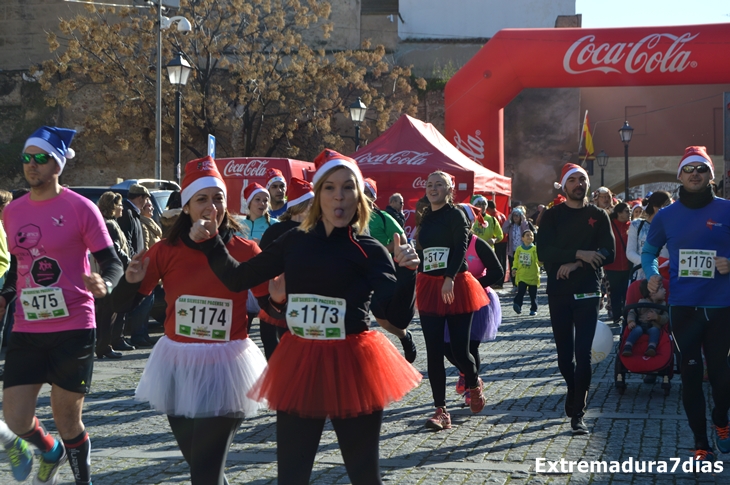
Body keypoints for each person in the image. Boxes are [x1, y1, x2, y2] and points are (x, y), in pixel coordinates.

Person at [190, 148, 422, 485]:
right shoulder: (293, 242)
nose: (339, 196)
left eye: (347, 187)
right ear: (317, 195)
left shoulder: (369, 249)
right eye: (329, 187)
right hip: (301, 361)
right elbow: (239, 279)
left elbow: (395, 317)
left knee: (364, 476)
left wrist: (407, 274)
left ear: (359, 195)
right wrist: (212, 243)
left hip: (354, 363)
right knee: (292, 477)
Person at [112, 157, 269, 485]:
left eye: (218, 198)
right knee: (201, 465)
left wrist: (279, 298)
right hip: (177, 365)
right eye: (202, 199)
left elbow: (274, 308)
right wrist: (127, 281)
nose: (212, 206)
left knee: (205, 472)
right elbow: (125, 305)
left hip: (227, 367)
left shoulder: (245, 249)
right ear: (186, 208)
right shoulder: (165, 251)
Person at [0, 126, 123, 485]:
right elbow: (17, 268)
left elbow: (111, 262)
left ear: (57, 165)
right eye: (27, 158)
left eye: (41, 158)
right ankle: (49, 450)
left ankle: (82, 480)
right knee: (16, 419)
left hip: (74, 325)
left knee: (67, 417)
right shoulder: (13, 212)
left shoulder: (81, 208)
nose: (31, 165)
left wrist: (106, 282)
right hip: (27, 326)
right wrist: (6, 295)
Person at [641, 146, 730, 463]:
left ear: (711, 176)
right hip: (684, 308)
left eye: (702, 169)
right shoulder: (666, 216)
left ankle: (721, 420)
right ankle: (701, 443)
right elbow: (649, 254)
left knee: (721, 378)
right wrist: (652, 276)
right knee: (690, 377)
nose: (695, 173)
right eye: (689, 168)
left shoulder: (727, 210)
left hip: (722, 307)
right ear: (680, 175)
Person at [535, 163, 614, 435]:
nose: (579, 184)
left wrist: (579, 265)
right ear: (564, 186)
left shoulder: (598, 215)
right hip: (559, 292)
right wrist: (580, 254)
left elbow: (610, 252)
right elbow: (543, 251)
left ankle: (578, 413)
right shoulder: (552, 215)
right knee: (564, 357)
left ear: (587, 185)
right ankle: (573, 388)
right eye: (573, 180)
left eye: (583, 179)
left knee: (583, 355)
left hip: (588, 291)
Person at [416, 171, 489, 431]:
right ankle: (440, 410)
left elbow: (461, 246)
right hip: (429, 286)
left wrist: (449, 276)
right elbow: (425, 253)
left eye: (439, 185)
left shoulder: (455, 214)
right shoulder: (424, 218)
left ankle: (473, 382)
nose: (433, 188)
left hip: (456, 285)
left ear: (449, 190)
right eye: (429, 184)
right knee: (434, 352)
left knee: (460, 350)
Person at [446, 203, 504, 406]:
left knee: (470, 345)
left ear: (469, 223)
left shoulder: (478, 244)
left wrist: (472, 285)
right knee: (447, 346)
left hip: (478, 301)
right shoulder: (447, 243)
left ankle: (472, 388)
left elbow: (498, 272)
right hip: (452, 300)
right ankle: (468, 373)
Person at [256, 177, 314, 360]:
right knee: (277, 349)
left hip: (309, 300)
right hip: (278, 299)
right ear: (302, 205)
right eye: (313, 203)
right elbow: (262, 264)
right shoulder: (276, 231)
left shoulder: (319, 230)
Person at [362, 179, 416, 362]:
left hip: (379, 272)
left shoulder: (382, 217)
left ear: (373, 197)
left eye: (365, 192)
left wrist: (382, 251)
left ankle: (404, 336)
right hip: (354, 273)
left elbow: (401, 237)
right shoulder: (346, 216)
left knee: (384, 320)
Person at [117, 184, 155, 349]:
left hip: (134, 264)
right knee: (125, 304)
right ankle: (120, 338)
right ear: (141, 198)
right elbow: (127, 240)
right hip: (130, 266)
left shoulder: (132, 213)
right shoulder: (128, 213)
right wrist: (133, 260)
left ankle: (131, 336)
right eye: (146, 199)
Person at [94, 192, 132, 359]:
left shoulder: (107, 223)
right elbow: (116, 250)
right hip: (112, 274)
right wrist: (130, 263)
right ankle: (103, 346)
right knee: (109, 312)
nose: (122, 207)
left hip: (106, 272)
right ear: (112, 207)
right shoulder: (110, 225)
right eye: (119, 205)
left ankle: (102, 345)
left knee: (105, 311)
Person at [626, 191, 672, 281]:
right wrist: (649, 264)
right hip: (640, 278)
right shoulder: (636, 225)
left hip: (665, 278)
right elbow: (630, 253)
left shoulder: (671, 227)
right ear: (656, 207)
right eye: (667, 206)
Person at [621, 280, 668, 357]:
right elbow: (632, 312)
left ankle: (651, 347)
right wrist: (631, 321)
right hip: (640, 324)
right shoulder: (641, 303)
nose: (665, 290)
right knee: (637, 329)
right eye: (661, 288)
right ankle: (627, 346)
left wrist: (657, 317)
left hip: (653, 326)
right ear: (652, 293)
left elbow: (666, 318)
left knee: (655, 330)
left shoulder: (663, 305)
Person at [604, 203, 631, 325]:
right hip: (612, 266)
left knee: (626, 292)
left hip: (627, 266)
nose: (629, 213)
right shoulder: (609, 225)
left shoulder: (632, 226)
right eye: (626, 211)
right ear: (619, 213)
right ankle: (616, 317)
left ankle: (626, 317)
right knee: (615, 293)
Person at [502, 208, 535, 285]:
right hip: (512, 250)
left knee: (522, 267)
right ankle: (514, 284)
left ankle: (522, 283)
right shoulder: (511, 226)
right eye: (514, 216)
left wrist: (523, 221)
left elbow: (526, 231)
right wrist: (509, 219)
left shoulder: (523, 225)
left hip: (522, 250)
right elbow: (504, 229)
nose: (515, 217)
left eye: (517, 215)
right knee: (513, 267)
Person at [512, 229, 540, 316]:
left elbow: (538, 260)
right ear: (522, 238)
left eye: (531, 235)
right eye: (527, 235)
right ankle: (517, 305)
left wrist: (541, 262)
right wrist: (514, 268)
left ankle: (533, 309)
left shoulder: (535, 249)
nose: (530, 237)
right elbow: (516, 260)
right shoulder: (519, 249)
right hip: (522, 275)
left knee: (533, 294)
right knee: (521, 291)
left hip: (532, 275)